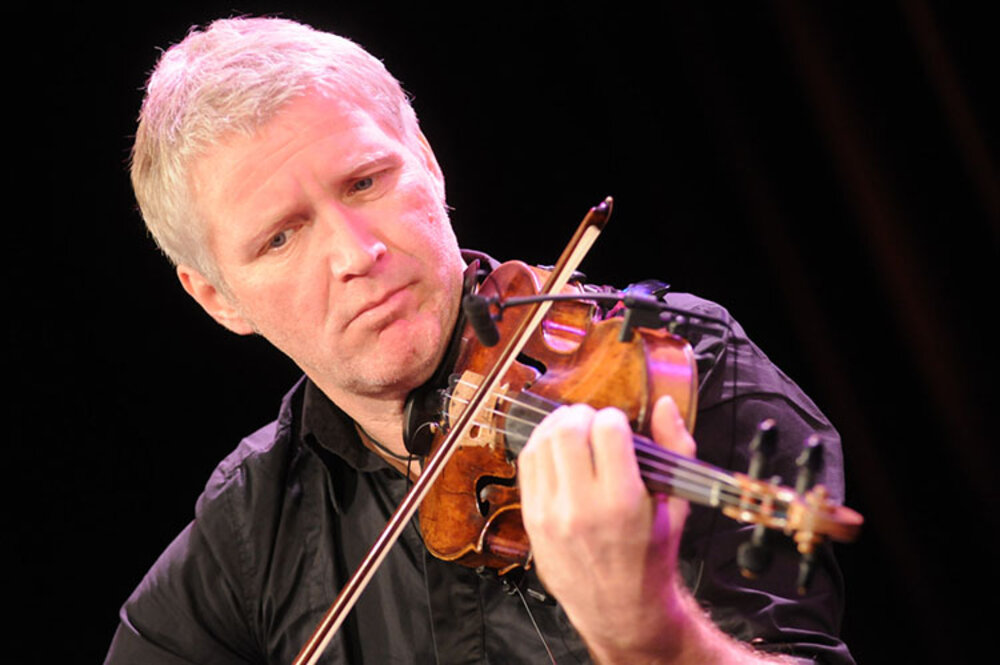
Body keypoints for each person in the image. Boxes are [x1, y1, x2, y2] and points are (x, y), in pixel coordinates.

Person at [107, 16, 855, 665]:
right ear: (218, 298)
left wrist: (651, 633)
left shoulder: (668, 364)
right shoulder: (252, 525)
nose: (356, 252)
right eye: (281, 237)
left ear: (428, 162)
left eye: (365, 182)